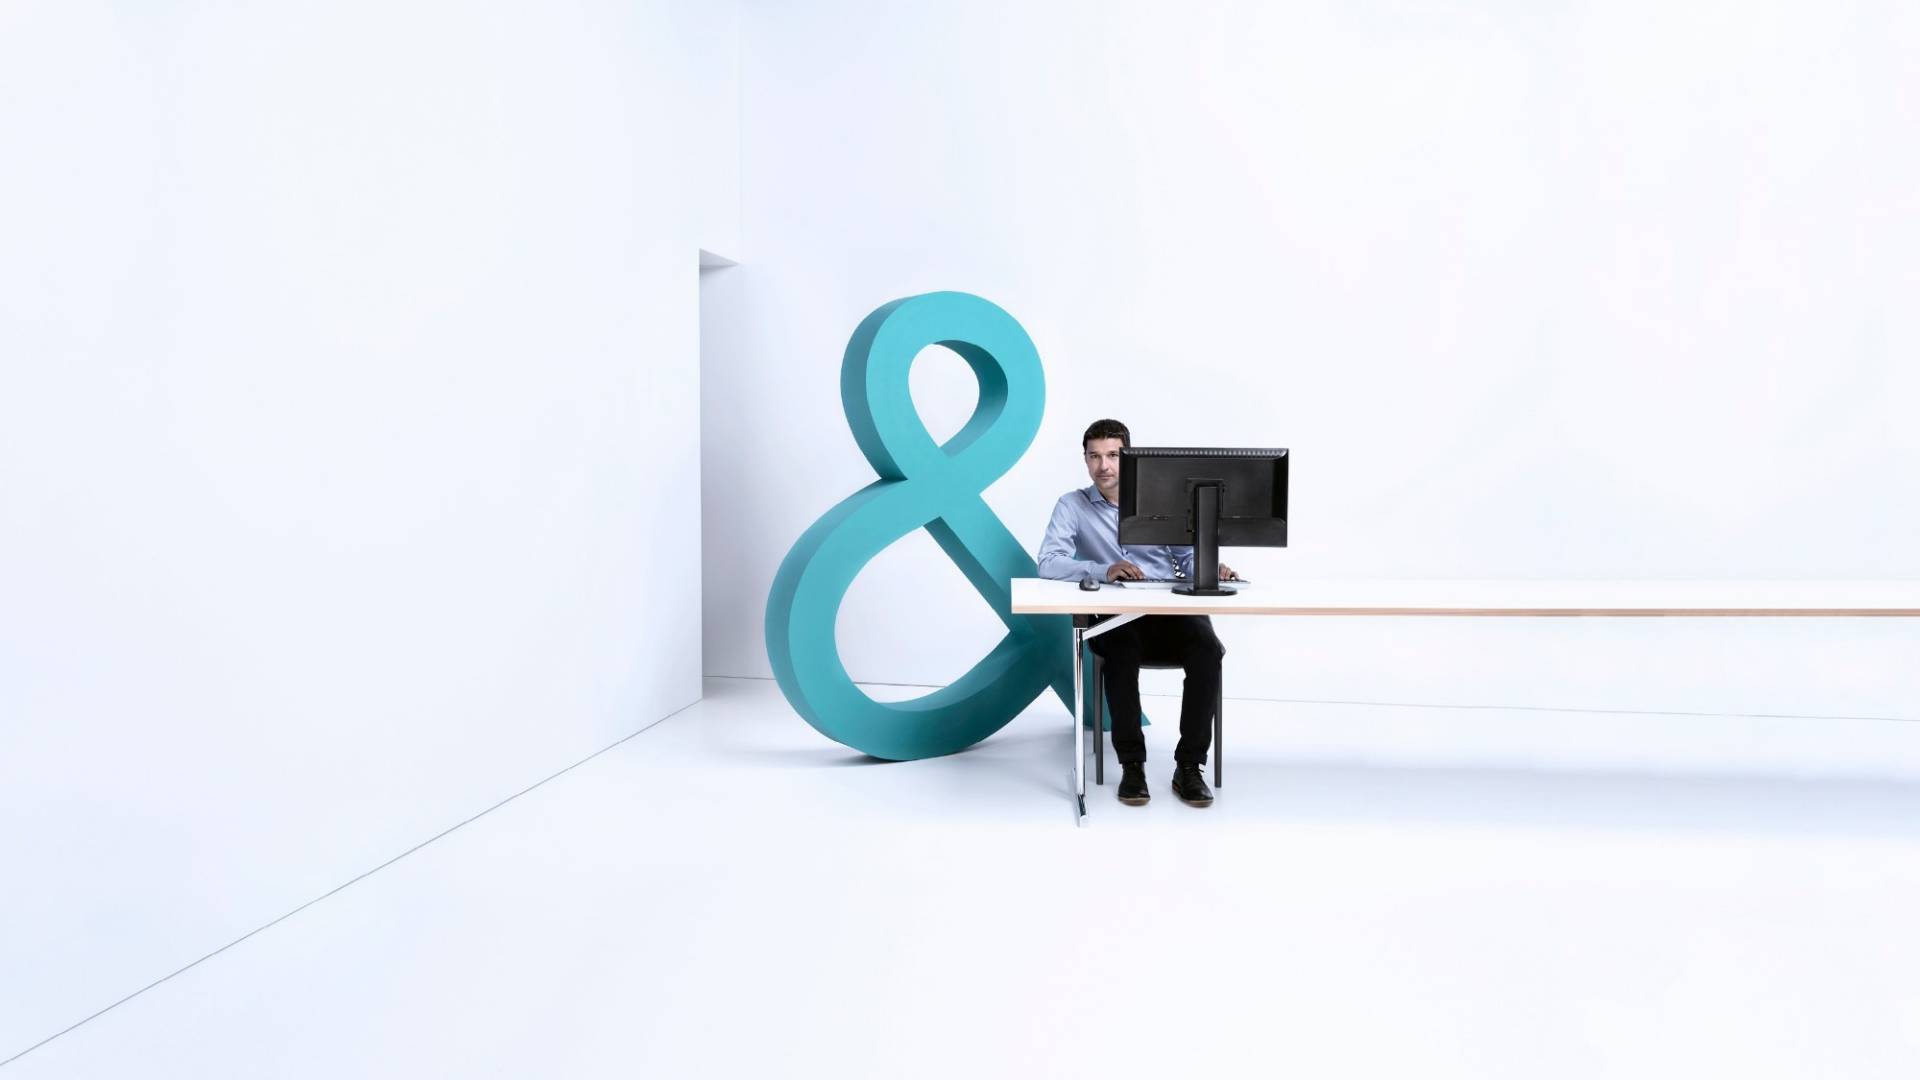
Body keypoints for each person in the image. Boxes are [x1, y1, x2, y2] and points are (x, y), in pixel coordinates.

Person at [1036, 418, 1237, 807]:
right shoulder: (1072, 505)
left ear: (1127, 458)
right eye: (1095, 456)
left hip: (1167, 610)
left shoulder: (1160, 503)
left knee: (1207, 650)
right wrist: (1103, 570)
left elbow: (1186, 560)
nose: (1104, 466)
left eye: (1113, 455)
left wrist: (1212, 569)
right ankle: (1132, 766)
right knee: (1121, 652)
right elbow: (1048, 562)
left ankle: (1189, 766)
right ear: (1085, 459)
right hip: (1116, 613)